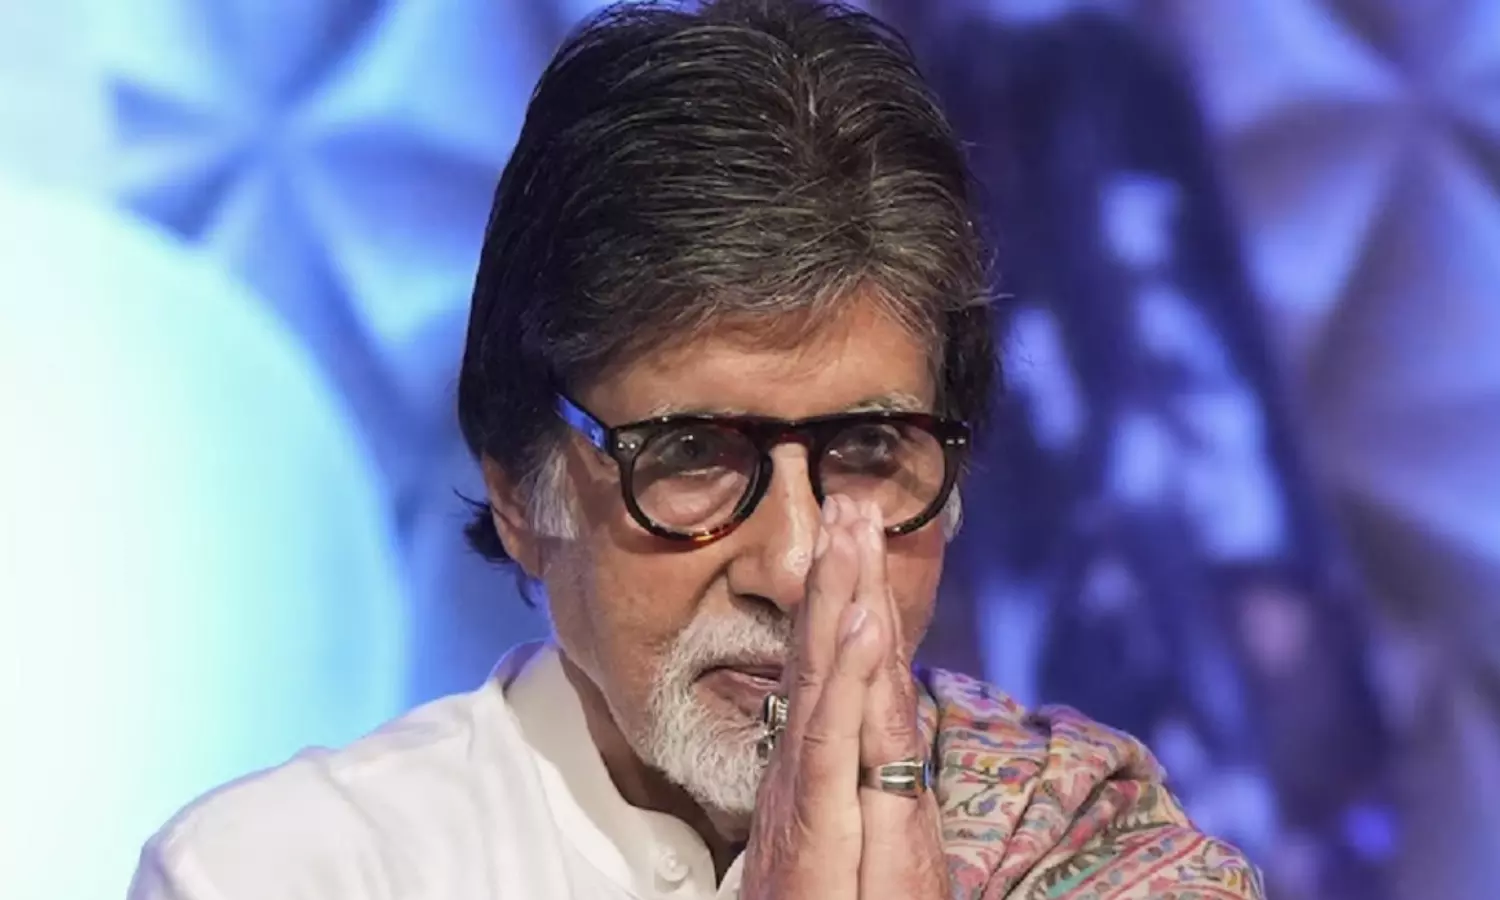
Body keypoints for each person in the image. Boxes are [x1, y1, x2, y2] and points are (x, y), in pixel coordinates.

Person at [128, 1, 1264, 898]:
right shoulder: (287, 873)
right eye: (691, 454)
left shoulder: (1085, 845)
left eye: (870, 449)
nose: (792, 565)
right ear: (518, 491)